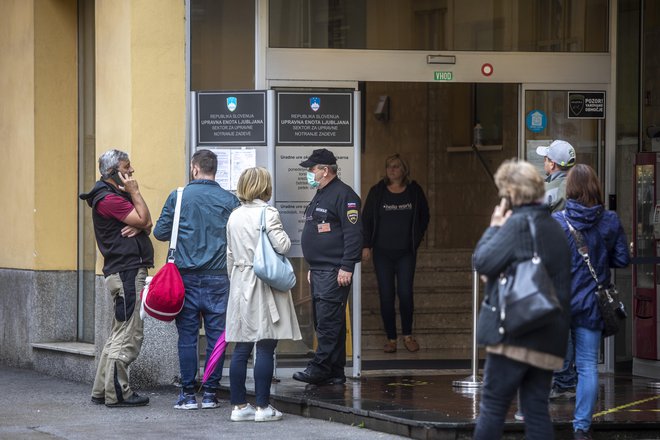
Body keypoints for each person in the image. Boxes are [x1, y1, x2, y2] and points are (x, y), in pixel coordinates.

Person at [472, 159, 572, 440]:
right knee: (536, 409)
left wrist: (493, 226)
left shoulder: (516, 224)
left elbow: (482, 261)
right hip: (550, 336)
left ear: (512, 194)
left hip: (514, 332)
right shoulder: (556, 229)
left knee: (493, 406)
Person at [153, 149, 240, 410]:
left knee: (188, 338)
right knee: (217, 337)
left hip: (185, 278)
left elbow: (160, 232)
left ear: (194, 168)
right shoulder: (230, 200)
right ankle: (211, 393)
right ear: (215, 170)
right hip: (219, 279)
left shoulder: (178, 197)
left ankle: (188, 394)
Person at [551, 164, 630, 440]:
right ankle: (581, 427)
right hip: (592, 305)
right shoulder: (609, 221)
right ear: (595, 187)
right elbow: (622, 260)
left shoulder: (557, 221)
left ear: (569, 188)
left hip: (559, 305)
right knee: (586, 366)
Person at [225, 167, 302, 422]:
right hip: (264, 282)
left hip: (240, 281)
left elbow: (230, 256)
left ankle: (238, 407)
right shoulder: (268, 213)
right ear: (264, 187)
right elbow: (284, 245)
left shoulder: (234, 215)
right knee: (266, 344)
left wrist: (236, 279)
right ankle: (262, 407)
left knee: (241, 347)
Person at [80, 149, 154, 408]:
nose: (131, 171)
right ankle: (118, 393)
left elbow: (148, 222)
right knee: (128, 334)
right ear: (113, 172)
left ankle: (102, 390)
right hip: (127, 272)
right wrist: (134, 192)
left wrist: (141, 223)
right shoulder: (109, 198)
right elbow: (144, 218)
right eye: (127, 167)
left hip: (123, 271)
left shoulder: (112, 196)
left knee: (118, 334)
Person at [292, 148, 362, 386]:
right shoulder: (321, 193)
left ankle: (320, 368)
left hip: (335, 270)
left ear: (325, 170)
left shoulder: (345, 195)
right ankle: (335, 371)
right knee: (328, 321)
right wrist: (313, 264)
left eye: (312, 169)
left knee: (328, 323)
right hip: (321, 269)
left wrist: (347, 266)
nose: (309, 173)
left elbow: (354, 234)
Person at [362, 153, 429, 353]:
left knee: (406, 294)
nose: (392, 169)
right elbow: (367, 220)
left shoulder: (414, 192)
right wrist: (366, 245)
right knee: (386, 296)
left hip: (406, 253)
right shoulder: (377, 192)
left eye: (397, 166)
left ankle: (407, 335)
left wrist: (415, 240)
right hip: (382, 253)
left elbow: (424, 217)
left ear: (404, 170)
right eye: (389, 166)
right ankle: (391, 338)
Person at [536, 139, 578, 405]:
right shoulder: (579, 187)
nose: (544, 162)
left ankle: (564, 381)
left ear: (552, 163)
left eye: (546, 158)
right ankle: (565, 378)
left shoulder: (556, 188)